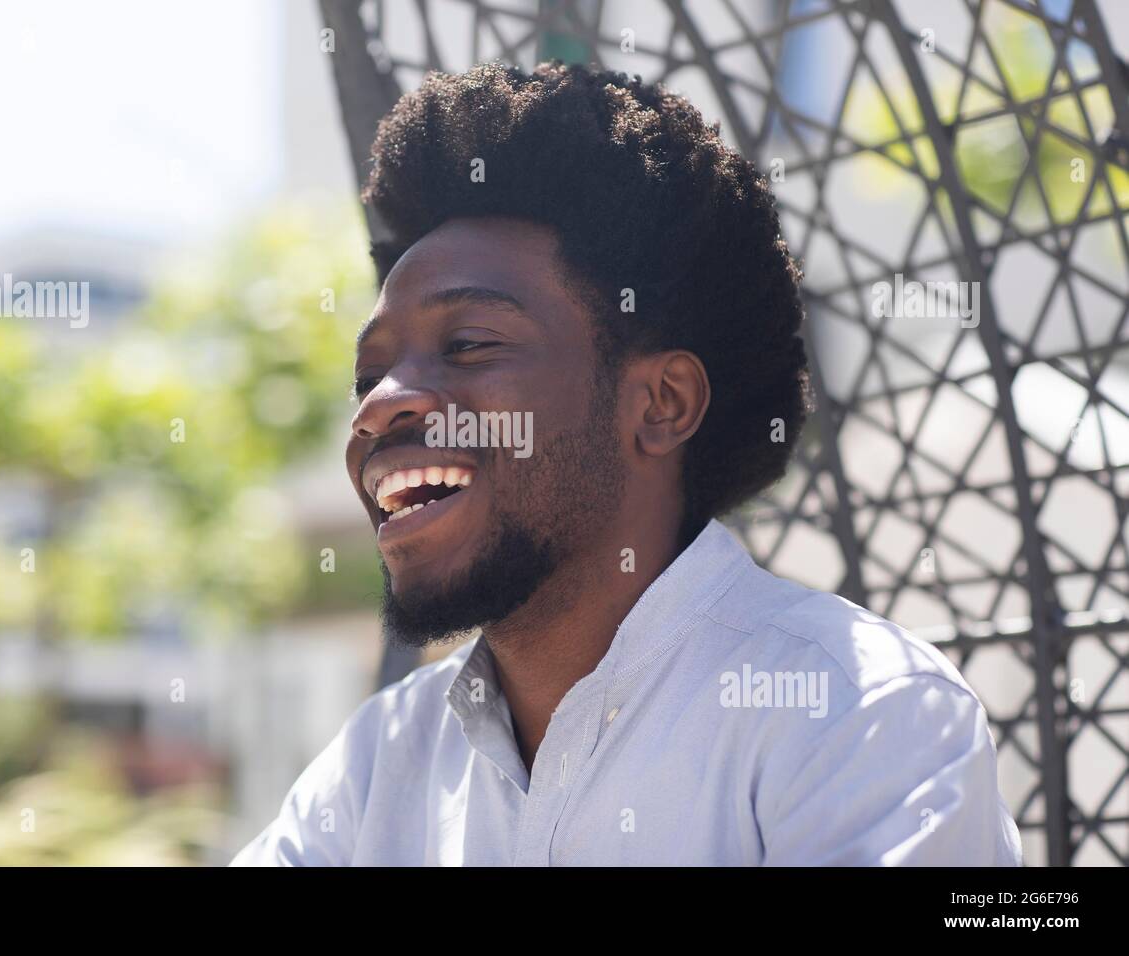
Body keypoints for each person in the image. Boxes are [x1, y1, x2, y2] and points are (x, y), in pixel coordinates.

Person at [233, 61, 1022, 866]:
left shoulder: (861, 717)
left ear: (661, 404)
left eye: (469, 344)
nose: (377, 408)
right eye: (369, 377)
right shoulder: (377, 769)